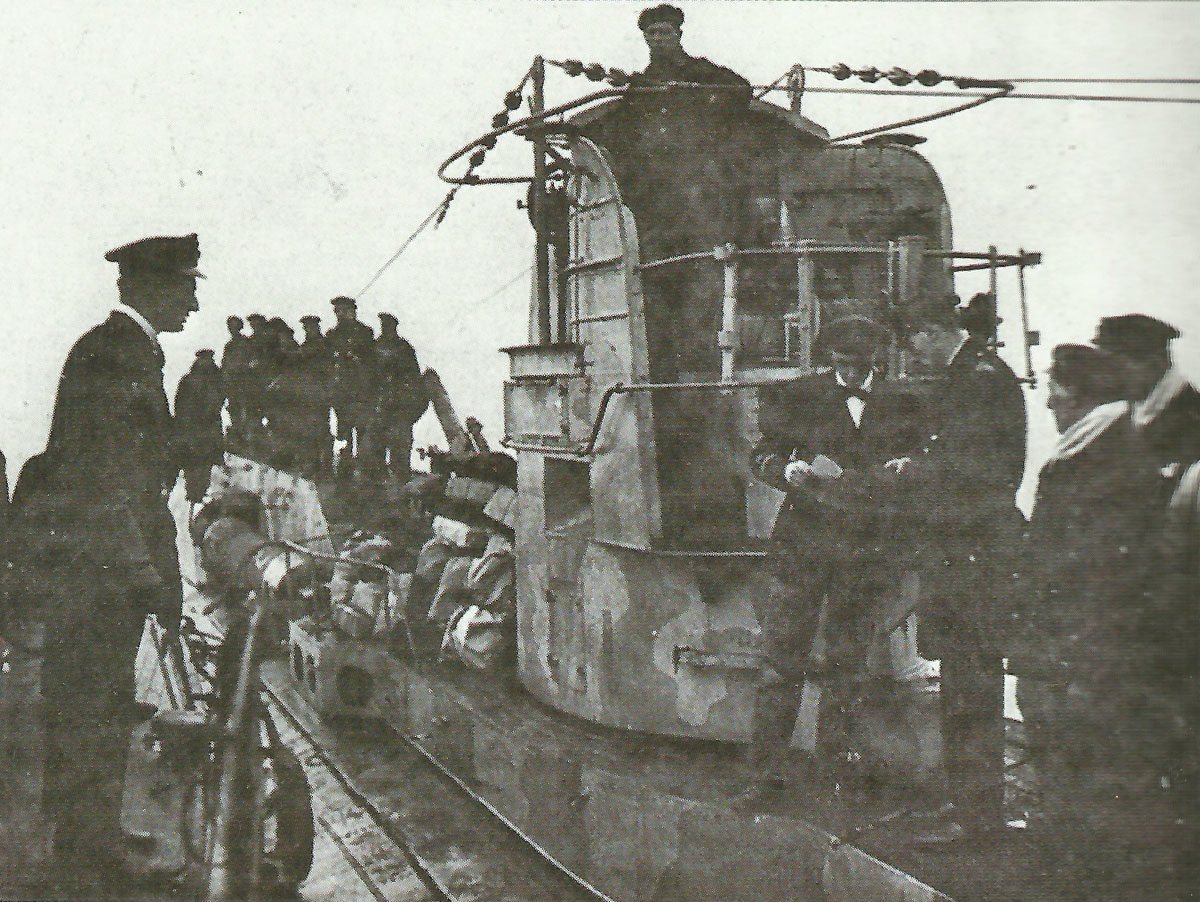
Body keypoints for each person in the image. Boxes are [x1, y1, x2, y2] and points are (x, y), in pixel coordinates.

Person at [5, 233, 201, 883]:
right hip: (96, 571)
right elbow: (110, 484)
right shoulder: (115, 355)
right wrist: (149, 578)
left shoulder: (123, 351)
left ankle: (90, 832)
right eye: (188, 286)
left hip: (98, 566)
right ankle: (89, 853)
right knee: (90, 701)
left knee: (98, 698)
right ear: (155, 288)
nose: (195, 302)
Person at [743, 315, 930, 802]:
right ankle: (765, 777)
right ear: (830, 359)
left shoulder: (902, 402)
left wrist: (907, 470)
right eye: (842, 364)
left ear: (875, 361)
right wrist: (786, 469)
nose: (850, 374)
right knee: (782, 663)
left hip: (865, 552)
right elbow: (762, 454)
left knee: (849, 665)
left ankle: (837, 771)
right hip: (803, 548)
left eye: (859, 365)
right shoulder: (798, 394)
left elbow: (920, 462)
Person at [1013, 344, 1174, 897]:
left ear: (1078, 394)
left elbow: (1070, 562)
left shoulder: (1084, 458)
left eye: (1054, 387)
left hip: (1079, 647)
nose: (1048, 399)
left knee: (1072, 766)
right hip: (1121, 647)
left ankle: (1080, 876)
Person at [902, 296, 1027, 842]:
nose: (913, 353)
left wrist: (913, 475)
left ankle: (975, 818)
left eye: (913, 341)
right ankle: (968, 806)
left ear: (932, 330)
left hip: (970, 557)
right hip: (967, 552)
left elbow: (971, 472)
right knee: (964, 684)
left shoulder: (976, 379)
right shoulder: (977, 372)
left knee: (972, 688)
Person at [1093, 313, 1200, 483]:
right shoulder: (1124, 412)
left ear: (1155, 363)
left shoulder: (1193, 418)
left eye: (1116, 366)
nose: (1106, 377)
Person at [369, 312, 429, 481]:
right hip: (380, 406)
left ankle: (399, 483)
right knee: (377, 449)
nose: (385, 329)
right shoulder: (376, 346)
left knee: (400, 450)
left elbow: (414, 378)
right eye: (383, 326)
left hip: (400, 407)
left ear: (394, 327)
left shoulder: (403, 348)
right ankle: (379, 484)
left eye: (387, 326)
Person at [325, 296, 375, 473]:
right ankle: (345, 468)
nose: (340, 314)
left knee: (362, 430)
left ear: (353, 311)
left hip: (361, 391)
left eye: (344, 310)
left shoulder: (365, 333)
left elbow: (370, 361)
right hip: (341, 392)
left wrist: (354, 357)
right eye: (337, 311)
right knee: (344, 431)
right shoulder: (332, 335)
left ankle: (362, 470)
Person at [174, 349, 225, 503]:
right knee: (199, 470)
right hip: (199, 433)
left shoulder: (194, 380)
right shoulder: (211, 381)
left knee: (198, 470)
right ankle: (196, 496)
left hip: (197, 433)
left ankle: (196, 497)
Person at [220, 315, 252, 446]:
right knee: (234, 408)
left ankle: (245, 436)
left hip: (244, 381)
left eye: (233, 326)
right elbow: (225, 364)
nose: (231, 329)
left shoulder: (245, 343)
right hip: (232, 382)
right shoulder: (229, 345)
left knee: (245, 408)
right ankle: (238, 434)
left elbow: (249, 361)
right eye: (230, 327)